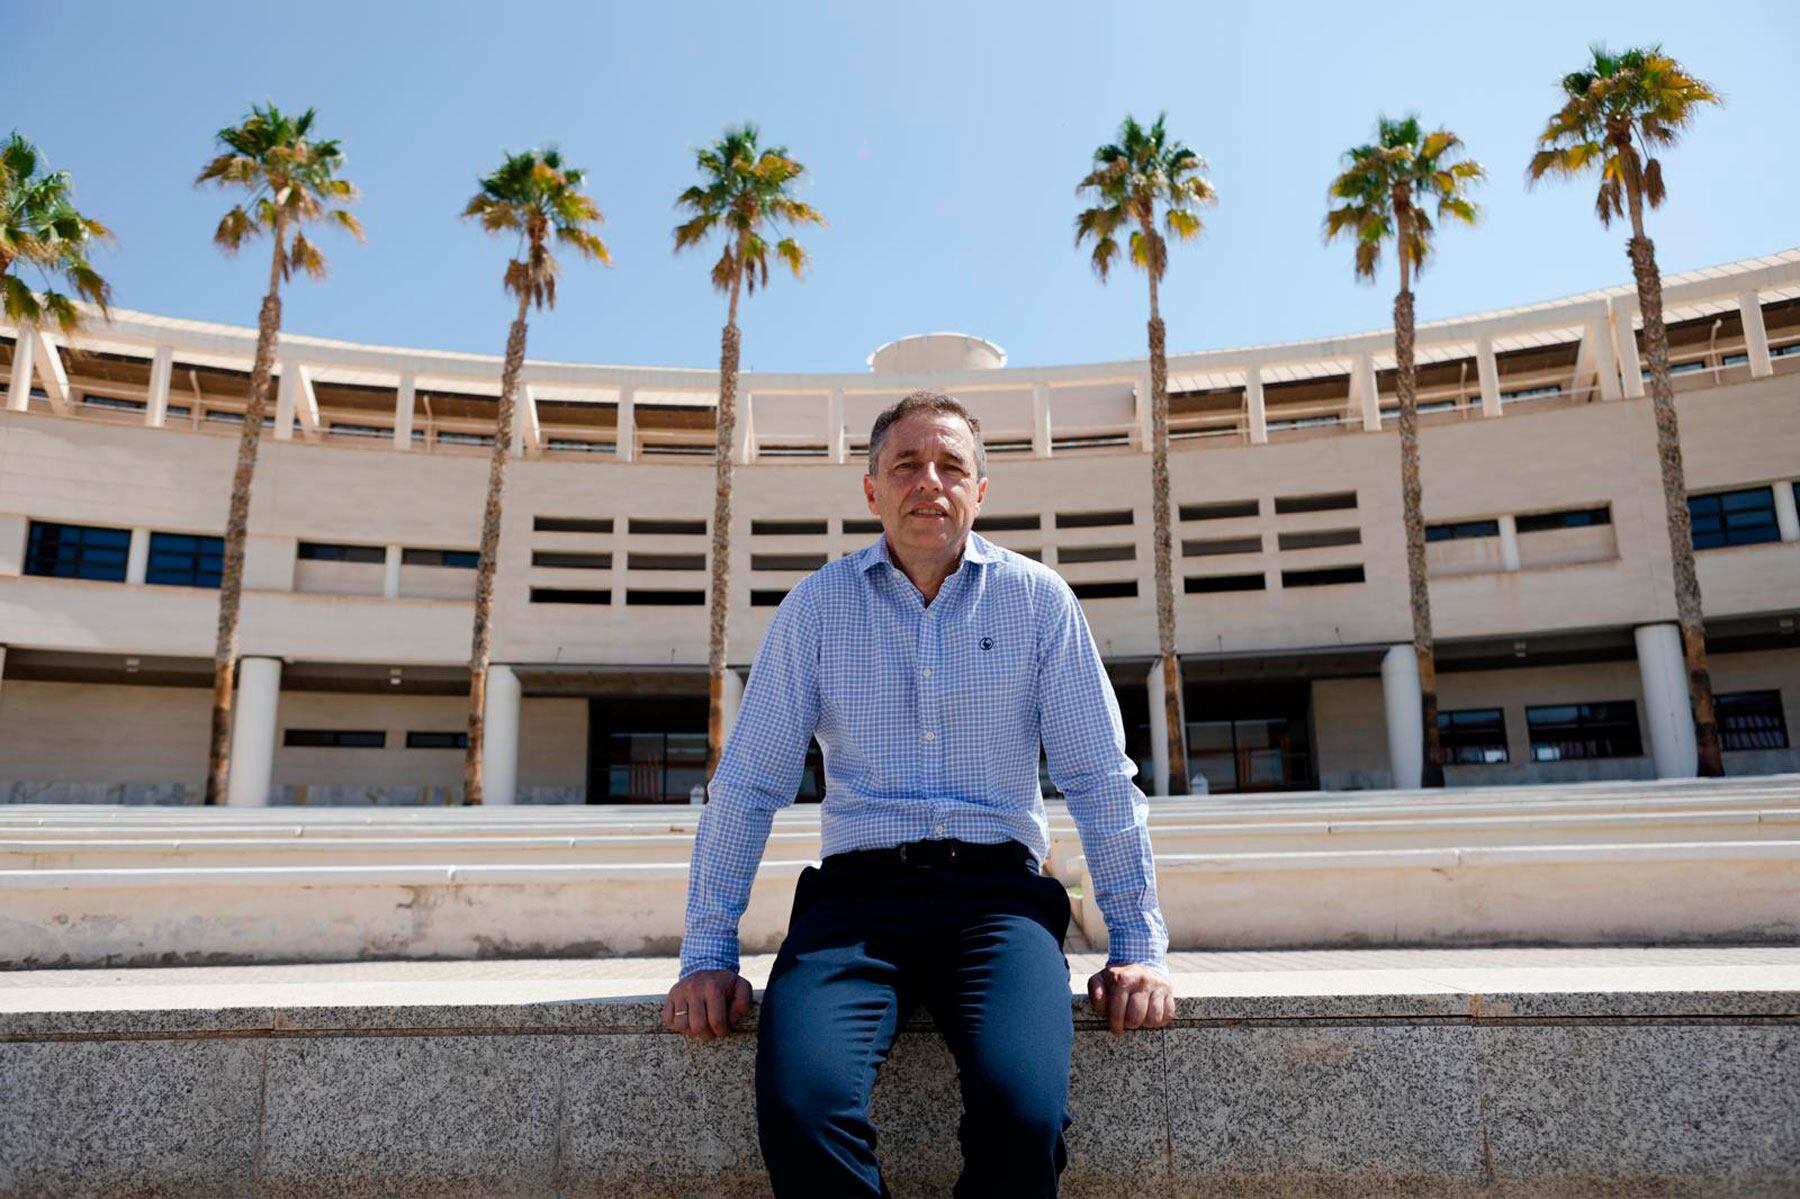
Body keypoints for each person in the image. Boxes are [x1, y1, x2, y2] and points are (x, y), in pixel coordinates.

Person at [664, 389, 1173, 1197]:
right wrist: (706, 955)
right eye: (906, 464)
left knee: (1022, 1116)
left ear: (980, 490)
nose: (928, 481)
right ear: (872, 489)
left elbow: (1100, 780)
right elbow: (749, 784)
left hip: (1000, 901)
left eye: (950, 466)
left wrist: (1138, 948)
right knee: (802, 1107)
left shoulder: (1040, 603)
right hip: (855, 905)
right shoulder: (817, 609)